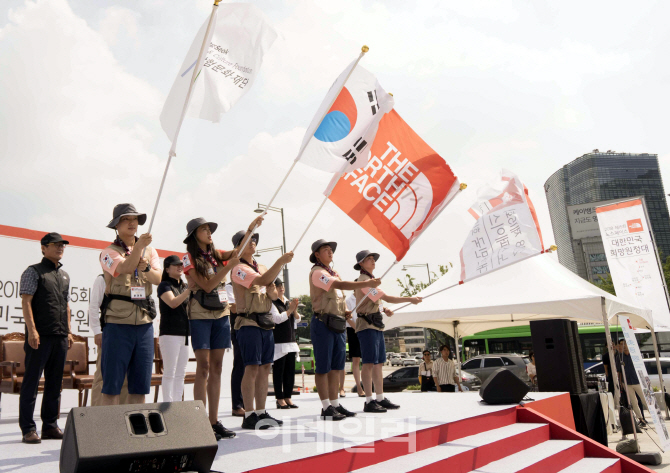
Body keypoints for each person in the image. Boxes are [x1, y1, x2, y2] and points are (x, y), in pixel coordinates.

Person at [182, 217, 248, 440]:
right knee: (204, 367)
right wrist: (228, 266)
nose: (209, 232)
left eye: (210, 229)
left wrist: (250, 228)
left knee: (218, 366)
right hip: (199, 313)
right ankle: (200, 422)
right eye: (204, 229)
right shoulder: (188, 257)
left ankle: (213, 420)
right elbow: (208, 285)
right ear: (194, 235)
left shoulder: (216, 254)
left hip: (221, 312)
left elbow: (239, 248)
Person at [308, 240, 381, 420]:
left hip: (338, 323)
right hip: (323, 323)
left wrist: (344, 311)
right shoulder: (317, 273)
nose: (330, 252)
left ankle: (335, 404)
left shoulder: (334, 272)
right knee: (323, 368)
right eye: (326, 250)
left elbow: (337, 296)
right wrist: (366, 283)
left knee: (335, 368)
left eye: (331, 249)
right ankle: (326, 407)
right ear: (317, 255)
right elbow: (339, 286)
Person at [99, 204, 161, 409]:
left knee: (140, 385)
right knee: (112, 385)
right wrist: (138, 249)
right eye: (126, 219)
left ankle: (137, 435)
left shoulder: (150, 251)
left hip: (144, 323)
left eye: (135, 218)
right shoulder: (108, 252)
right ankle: (111, 433)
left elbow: (159, 278)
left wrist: (146, 267)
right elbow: (125, 267)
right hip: (117, 323)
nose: (132, 223)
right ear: (116, 225)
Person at [231, 227, 293, 430]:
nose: (253, 242)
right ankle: (249, 414)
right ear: (238, 246)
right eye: (248, 240)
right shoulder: (238, 268)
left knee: (265, 368)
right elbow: (262, 281)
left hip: (266, 323)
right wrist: (280, 263)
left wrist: (272, 284)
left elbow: (273, 295)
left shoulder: (262, 266)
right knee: (251, 368)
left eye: (254, 240)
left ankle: (260, 411)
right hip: (248, 322)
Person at [18, 232, 73, 444]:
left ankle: (50, 425)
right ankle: (28, 429)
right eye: (55, 245)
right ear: (43, 247)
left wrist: (68, 331)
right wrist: (32, 331)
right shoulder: (33, 272)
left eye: (63, 245)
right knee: (31, 382)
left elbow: (66, 305)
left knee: (55, 383)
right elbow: (26, 302)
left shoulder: (65, 275)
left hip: (59, 336)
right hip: (39, 336)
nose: (60, 248)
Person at [353, 250, 422, 412]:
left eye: (373, 259)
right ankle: (369, 401)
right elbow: (387, 297)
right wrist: (410, 299)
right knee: (369, 363)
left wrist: (384, 309)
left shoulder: (370, 281)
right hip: (366, 325)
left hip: (375, 324)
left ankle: (379, 397)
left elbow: (377, 302)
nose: (372, 261)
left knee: (378, 364)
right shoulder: (363, 280)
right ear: (361, 264)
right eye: (368, 259)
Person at [89, 274, 128, 406]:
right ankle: (96, 415)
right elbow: (94, 306)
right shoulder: (102, 279)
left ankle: (120, 415)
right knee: (102, 376)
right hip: (108, 333)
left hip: (128, 334)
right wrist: (97, 331)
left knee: (125, 378)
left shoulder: (128, 279)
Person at [157, 255, 191, 403]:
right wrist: (189, 291)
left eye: (181, 264)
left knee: (180, 373)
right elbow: (172, 303)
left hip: (184, 333)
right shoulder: (164, 285)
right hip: (169, 333)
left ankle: (178, 404)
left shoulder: (183, 286)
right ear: (167, 268)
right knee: (169, 372)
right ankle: (168, 404)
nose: (179, 267)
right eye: (175, 265)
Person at [271, 278, 301, 409]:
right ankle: (279, 398)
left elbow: (298, 320)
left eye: (281, 285)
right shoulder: (272, 303)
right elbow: (277, 319)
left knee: (290, 371)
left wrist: (293, 310)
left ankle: (288, 397)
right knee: (279, 371)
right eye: (277, 286)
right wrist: (289, 311)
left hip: (291, 341)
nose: (280, 287)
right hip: (279, 342)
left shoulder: (288, 302)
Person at [618, 340, 648, 427]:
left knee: (645, 400)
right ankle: (641, 420)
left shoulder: (636, 356)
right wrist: (621, 383)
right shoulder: (620, 357)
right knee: (633, 403)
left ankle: (655, 418)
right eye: (621, 344)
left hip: (638, 381)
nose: (623, 346)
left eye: (625, 344)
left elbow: (642, 368)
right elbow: (619, 372)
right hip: (626, 383)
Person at [228, 281, 246, 417]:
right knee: (240, 367)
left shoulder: (252, 286)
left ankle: (247, 403)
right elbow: (233, 308)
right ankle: (237, 405)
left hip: (253, 328)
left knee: (251, 367)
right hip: (239, 329)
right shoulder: (229, 287)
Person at [345, 292, 364, 397]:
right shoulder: (348, 300)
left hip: (366, 329)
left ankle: (368, 386)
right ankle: (359, 387)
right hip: (353, 330)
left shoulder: (366, 297)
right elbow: (347, 319)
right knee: (356, 360)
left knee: (368, 360)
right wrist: (358, 329)